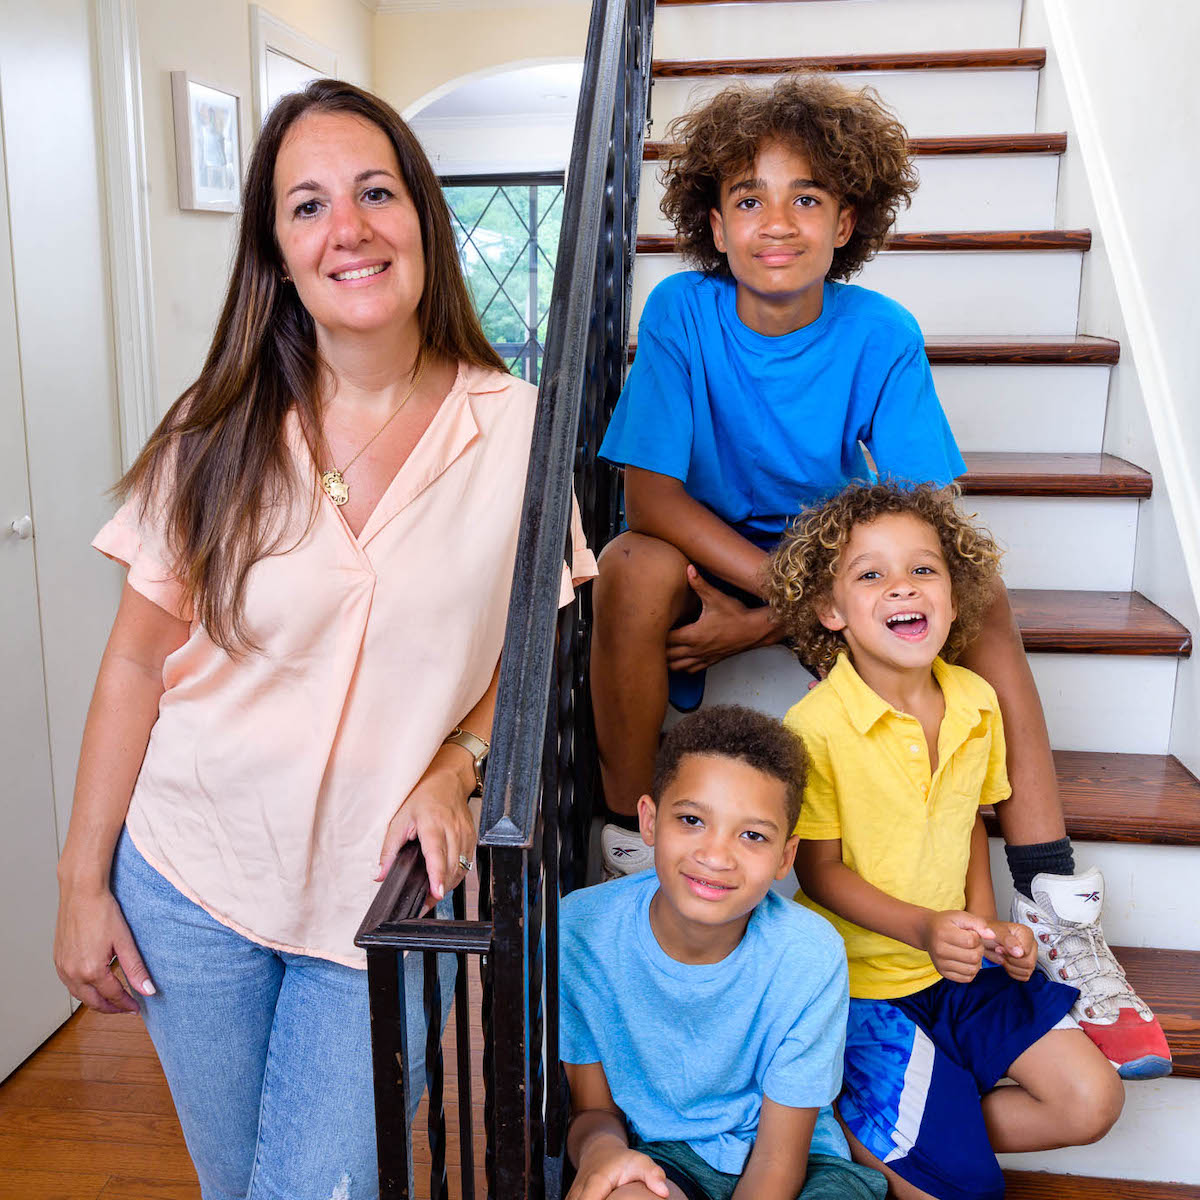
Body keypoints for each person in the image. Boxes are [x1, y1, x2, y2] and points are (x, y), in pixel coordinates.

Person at [52, 79, 594, 1200]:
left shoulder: (518, 432)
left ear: (423, 222)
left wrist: (461, 761)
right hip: (190, 879)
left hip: (381, 900)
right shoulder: (215, 427)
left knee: (311, 1187)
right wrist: (80, 882)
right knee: (233, 1182)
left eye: (374, 192)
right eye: (307, 206)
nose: (346, 228)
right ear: (278, 253)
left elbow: (528, 652)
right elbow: (135, 664)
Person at [587, 73, 1168, 1077]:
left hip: (826, 567)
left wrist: (779, 617)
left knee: (979, 609)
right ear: (714, 226)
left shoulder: (881, 333)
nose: (777, 222)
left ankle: (1056, 904)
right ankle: (634, 839)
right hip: (716, 561)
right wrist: (774, 598)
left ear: (846, 219)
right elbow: (652, 502)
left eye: (806, 197)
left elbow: (923, 527)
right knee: (632, 565)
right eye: (748, 198)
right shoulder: (682, 312)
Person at [766, 483, 1125, 1200]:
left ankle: (913, 1121)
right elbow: (821, 873)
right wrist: (924, 927)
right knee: (962, 1191)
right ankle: (865, 1117)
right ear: (831, 612)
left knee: (1091, 1101)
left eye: (923, 569)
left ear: (955, 598)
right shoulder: (816, 728)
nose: (903, 586)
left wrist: (988, 927)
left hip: (957, 974)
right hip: (866, 994)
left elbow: (966, 822)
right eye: (871, 574)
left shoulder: (975, 700)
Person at [560, 704, 887, 1200]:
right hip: (661, 1151)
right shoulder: (582, 929)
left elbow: (780, 1157)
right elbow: (593, 1112)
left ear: (785, 857)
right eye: (692, 819)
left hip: (799, 1165)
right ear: (649, 822)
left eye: (752, 835)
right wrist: (601, 1151)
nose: (715, 857)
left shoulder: (809, 955)